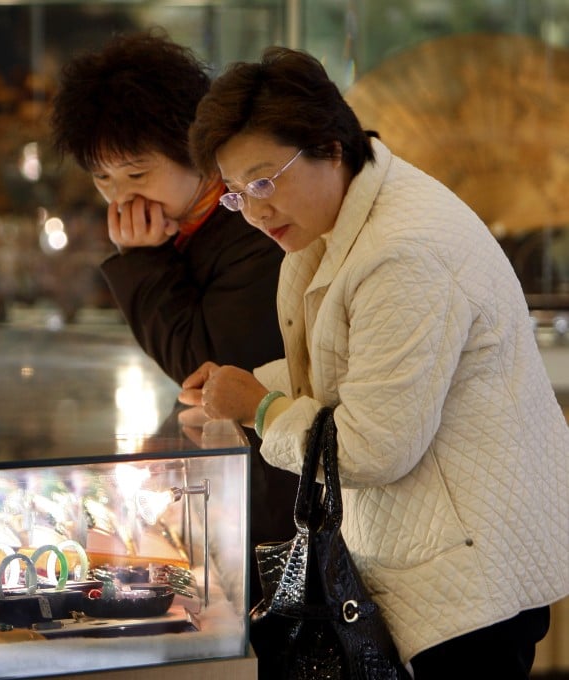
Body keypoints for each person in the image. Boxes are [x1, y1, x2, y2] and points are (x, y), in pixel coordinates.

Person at [182, 45, 569, 678]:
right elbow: (354, 372)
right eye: (234, 194)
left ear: (329, 146)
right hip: (434, 560)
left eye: (262, 182)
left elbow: (372, 446)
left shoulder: (401, 251)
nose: (253, 210)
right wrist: (246, 388)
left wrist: (259, 406)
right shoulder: (337, 222)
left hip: (468, 584)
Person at [49, 30, 297, 605]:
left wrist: (144, 261)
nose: (119, 199)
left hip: (280, 508)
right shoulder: (191, 226)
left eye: (138, 175)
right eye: (103, 179)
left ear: (197, 148)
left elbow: (206, 372)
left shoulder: (253, 224)